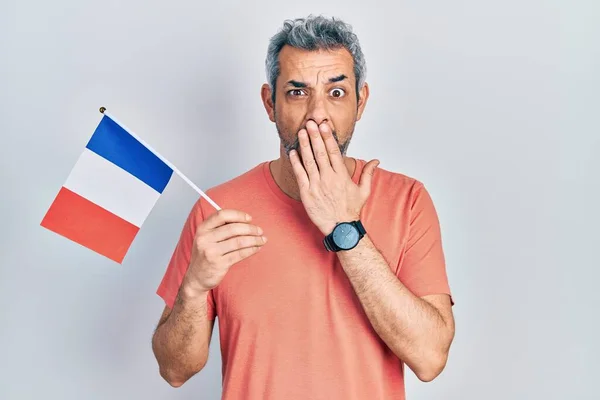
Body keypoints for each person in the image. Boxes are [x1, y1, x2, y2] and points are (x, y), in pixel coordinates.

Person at [151, 14, 455, 400]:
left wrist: (346, 228)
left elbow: (430, 358)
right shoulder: (218, 210)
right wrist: (193, 289)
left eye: (337, 92)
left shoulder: (408, 201)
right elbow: (174, 370)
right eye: (297, 92)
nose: (317, 114)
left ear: (361, 102)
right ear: (269, 103)